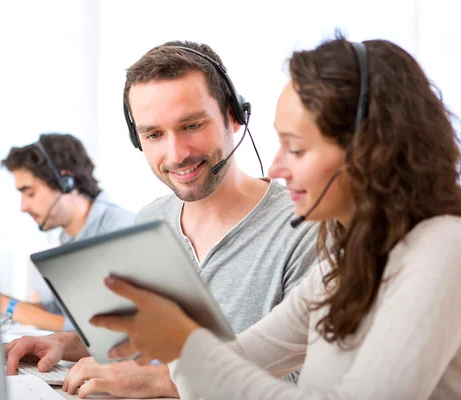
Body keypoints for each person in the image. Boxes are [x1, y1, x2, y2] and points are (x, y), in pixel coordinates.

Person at [90, 36, 461, 399]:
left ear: (370, 151)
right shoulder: (348, 261)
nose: (276, 167)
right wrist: (162, 341)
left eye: (296, 149)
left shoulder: (444, 249)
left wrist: (186, 345)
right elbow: (241, 361)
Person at [4, 41, 320, 398]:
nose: (176, 154)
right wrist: (63, 344)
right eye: (154, 134)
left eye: (191, 125)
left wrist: (160, 382)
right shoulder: (152, 220)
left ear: (234, 115)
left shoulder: (306, 228)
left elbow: (308, 387)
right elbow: (136, 339)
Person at [0, 133, 135, 331]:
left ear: (66, 182)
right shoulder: (70, 239)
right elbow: (56, 312)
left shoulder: (122, 232)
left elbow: (100, 331)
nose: (23, 206)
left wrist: (10, 307)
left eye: (30, 193)